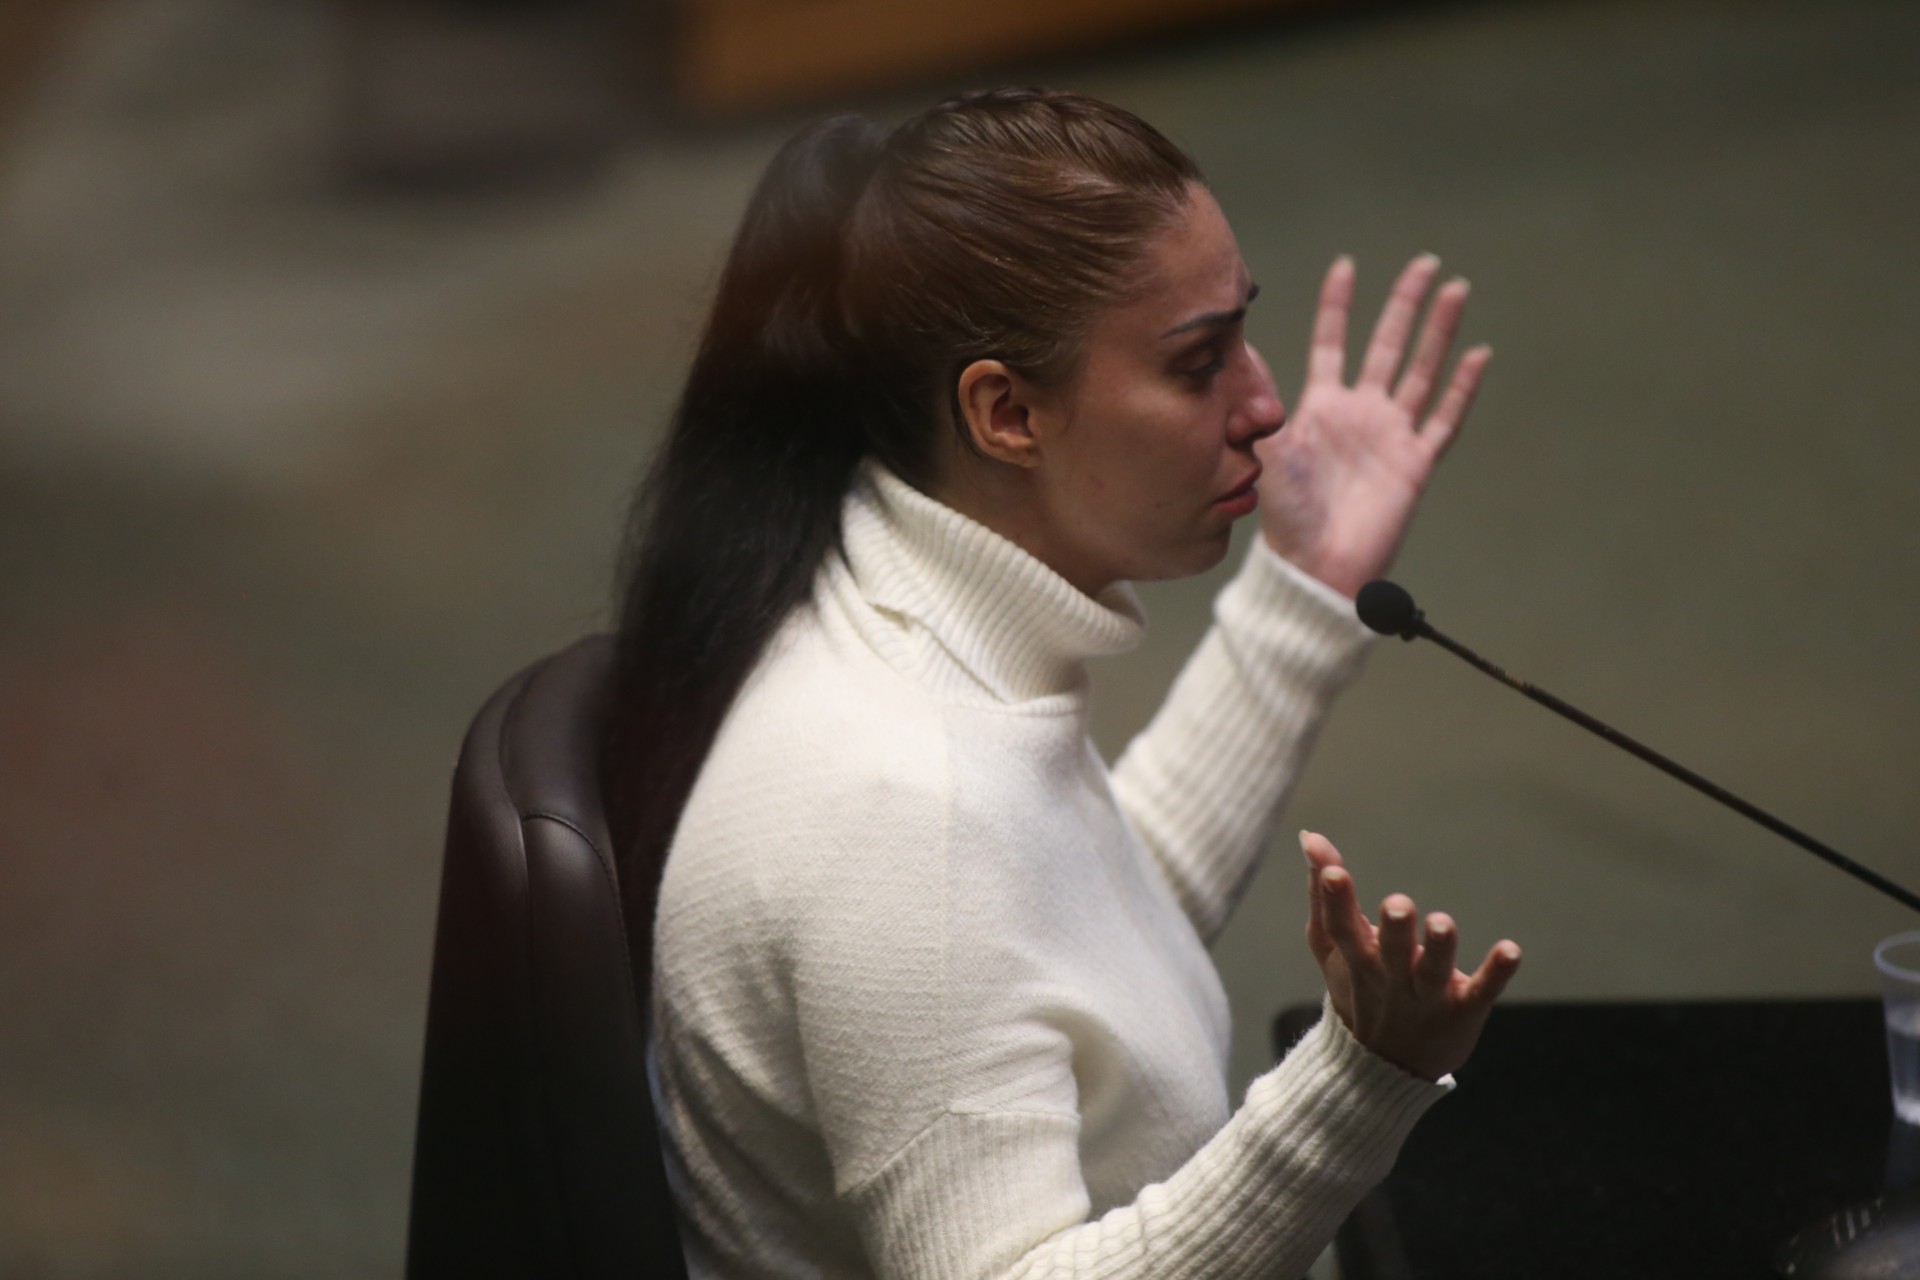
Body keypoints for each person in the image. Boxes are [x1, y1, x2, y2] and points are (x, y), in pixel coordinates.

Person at [603, 87, 1522, 1279]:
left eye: (1243, 329)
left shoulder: (898, 617)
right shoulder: (896, 810)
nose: (1265, 403)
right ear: (1007, 412)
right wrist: (1355, 1089)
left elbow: (1065, 945)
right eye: (1199, 363)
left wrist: (1306, 588)